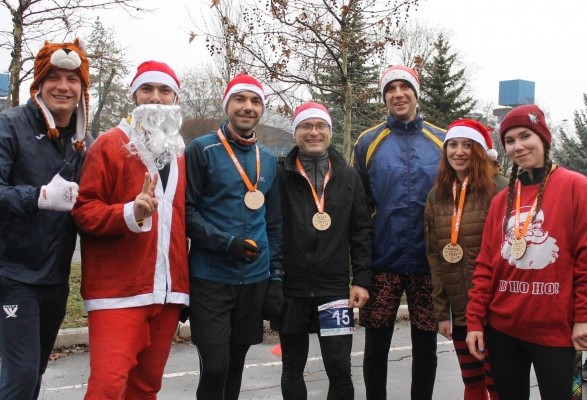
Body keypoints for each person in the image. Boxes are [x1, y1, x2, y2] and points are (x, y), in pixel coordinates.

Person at [71, 60, 189, 399]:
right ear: (134, 95)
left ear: (175, 98)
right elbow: (84, 211)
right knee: (107, 388)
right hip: (117, 292)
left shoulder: (179, 152)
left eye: (165, 91)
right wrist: (129, 212)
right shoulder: (108, 145)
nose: (156, 98)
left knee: (146, 386)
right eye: (147, 89)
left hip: (168, 293)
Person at [466, 104, 587, 399]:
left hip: (558, 333)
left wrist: (583, 317)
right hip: (503, 330)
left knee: (570, 395)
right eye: (510, 140)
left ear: (544, 138)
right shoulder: (501, 201)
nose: (518, 146)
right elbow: (485, 266)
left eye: (525, 136)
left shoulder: (577, 188)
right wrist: (474, 321)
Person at [0, 38, 91, 400]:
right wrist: (36, 197)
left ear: (83, 89)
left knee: (34, 372)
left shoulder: (84, 141)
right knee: (21, 377)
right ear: (38, 83)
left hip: (55, 279)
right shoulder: (10, 125)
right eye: (54, 77)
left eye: (73, 79)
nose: (63, 86)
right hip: (13, 274)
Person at [185, 73, 283, 400]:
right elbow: (186, 212)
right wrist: (225, 243)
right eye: (240, 99)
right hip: (210, 276)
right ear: (227, 105)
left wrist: (276, 277)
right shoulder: (201, 150)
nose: (248, 107)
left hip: (254, 279)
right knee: (215, 366)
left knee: (235, 365)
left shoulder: (269, 159)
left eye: (255, 101)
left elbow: (274, 223)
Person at [352, 64, 445, 400]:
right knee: (376, 348)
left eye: (405, 87)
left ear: (416, 93)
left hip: (428, 263)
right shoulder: (368, 142)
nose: (398, 94)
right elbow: (359, 207)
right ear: (384, 97)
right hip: (383, 261)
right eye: (390, 89)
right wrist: (360, 266)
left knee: (426, 350)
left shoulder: (442, 140)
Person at [274, 102, 372, 400]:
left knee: (339, 368)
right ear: (296, 132)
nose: (313, 132)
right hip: (292, 289)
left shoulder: (348, 176)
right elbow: (273, 230)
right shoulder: (281, 175)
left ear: (330, 132)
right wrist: (274, 281)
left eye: (320, 126)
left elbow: (361, 232)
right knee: (292, 367)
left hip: (334, 291)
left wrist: (362, 279)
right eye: (306, 126)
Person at [425, 119, 507, 399]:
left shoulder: (500, 190)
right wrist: (442, 312)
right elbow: (435, 256)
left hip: (496, 310)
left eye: (467, 145)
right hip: (459, 310)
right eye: (453, 145)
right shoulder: (436, 196)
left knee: (498, 385)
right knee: (472, 382)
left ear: (480, 151)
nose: (458, 151)